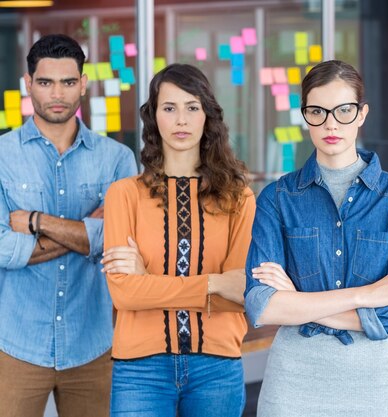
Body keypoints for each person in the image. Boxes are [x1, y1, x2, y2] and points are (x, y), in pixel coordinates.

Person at [244, 59, 388, 417]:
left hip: (372, 387)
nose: (330, 124)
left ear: (361, 114)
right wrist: (365, 295)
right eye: (317, 111)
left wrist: (298, 302)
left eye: (343, 111)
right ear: (304, 115)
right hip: (292, 387)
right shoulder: (277, 198)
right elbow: (262, 306)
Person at [101, 63, 255, 417]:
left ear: (207, 117)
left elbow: (241, 294)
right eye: (169, 108)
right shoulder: (123, 195)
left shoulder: (239, 198)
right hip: (140, 371)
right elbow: (124, 293)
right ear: (154, 118)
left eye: (192, 107)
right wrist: (214, 284)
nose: (181, 120)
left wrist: (149, 283)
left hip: (216, 368)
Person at [0, 34, 137, 417]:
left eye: (67, 81)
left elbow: (117, 241)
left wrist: (35, 222)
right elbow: (2, 249)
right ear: (28, 84)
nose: (56, 93)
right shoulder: (2, 157)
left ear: (83, 83)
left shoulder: (117, 160)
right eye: (45, 82)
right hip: (15, 344)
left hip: (93, 345)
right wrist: (86, 231)